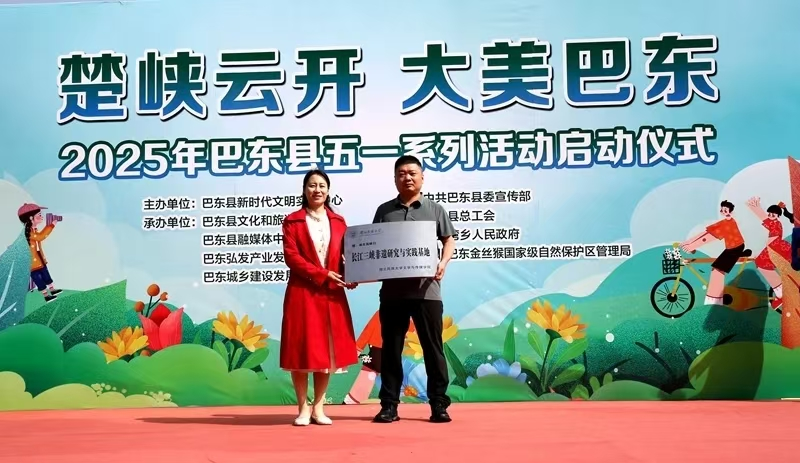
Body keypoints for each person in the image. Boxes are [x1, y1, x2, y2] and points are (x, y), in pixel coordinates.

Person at [371, 155, 456, 424]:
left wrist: (443, 262)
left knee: (433, 349)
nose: (407, 177)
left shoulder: (435, 209)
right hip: (393, 293)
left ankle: (439, 404)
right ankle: (389, 405)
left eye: (412, 173)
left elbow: (448, 240)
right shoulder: (384, 211)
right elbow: (373, 246)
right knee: (391, 350)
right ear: (395, 179)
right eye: (401, 173)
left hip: (427, 292)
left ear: (422, 177)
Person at [280, 169, 358, 426]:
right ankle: (302, 408)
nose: (317, 190)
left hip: (332, 294)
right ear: (304, 190)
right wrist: (322, 274)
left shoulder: (339, 222)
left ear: (328, 190)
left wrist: (352, 275)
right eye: (312, 185)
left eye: (322, 185)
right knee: (301, 350)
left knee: (327, 352)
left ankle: (319, 408)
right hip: (302, 294)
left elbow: (347, 257)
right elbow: (292, 258)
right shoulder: (292, 222)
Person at [681, 200, 749, 306]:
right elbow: (707, 232)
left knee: (717, 271)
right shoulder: (724, 222)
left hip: (735, 248)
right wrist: (689, 242)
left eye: (725, 210)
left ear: (731, 212)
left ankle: (715, 302)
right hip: (733, 248)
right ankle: (714, 300)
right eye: (722, 210)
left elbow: (710, 237)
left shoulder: (728, 224)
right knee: (716, 270)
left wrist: (692, 246)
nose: (723, 212)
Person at [746, 196, 791, 310]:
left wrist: (756, 207)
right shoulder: (774, 222)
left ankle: (781, 293)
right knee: (762, 265)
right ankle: (781, 291)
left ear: (778, 216)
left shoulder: (776, 224)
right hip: (773, 247)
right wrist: (756, 207)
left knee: (762, 265)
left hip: (775, 248)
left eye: (773, 215)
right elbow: (764, 218)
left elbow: (764, 218)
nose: (770, 216)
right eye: (770, 214)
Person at [17, 203, 62, 302]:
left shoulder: (33, 229)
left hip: (39, 258)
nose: (42, 217)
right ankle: (46, 295)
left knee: (46, 274)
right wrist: (51, 226)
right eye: (39, 215)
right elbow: (41, 237)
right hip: (32, 263)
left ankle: (52, 290)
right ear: (31, 218)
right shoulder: (28, 232)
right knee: (38, 279)